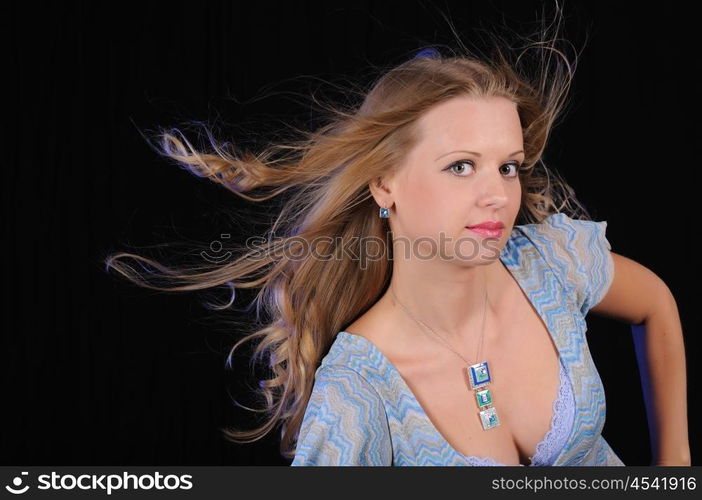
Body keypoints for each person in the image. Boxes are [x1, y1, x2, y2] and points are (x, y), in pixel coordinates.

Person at [104, 6, 690, 466]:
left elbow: (655, 303)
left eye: (507, 166)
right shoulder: (359, 394)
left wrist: (674, 466)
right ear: (385, 184)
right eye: (461, 166)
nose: (497, 195)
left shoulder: (550, 263)